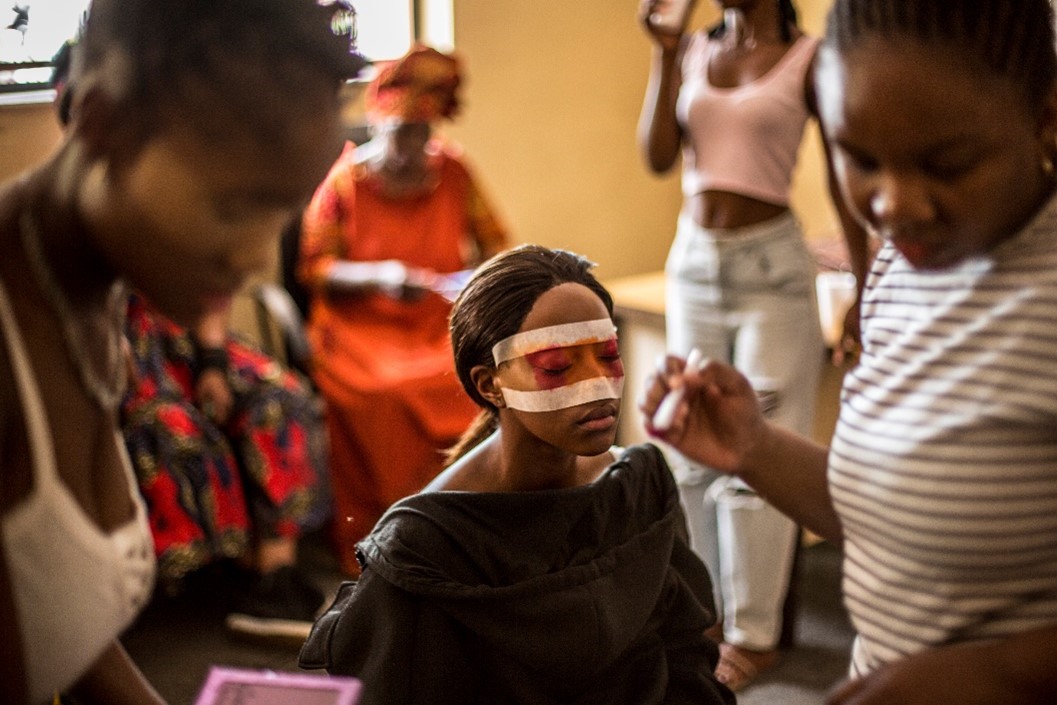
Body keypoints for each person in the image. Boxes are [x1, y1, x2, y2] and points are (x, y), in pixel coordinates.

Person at [640, 0, 1057, 703]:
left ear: (1046, 116)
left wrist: (991, 674)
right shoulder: (901, 264)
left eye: (946, 162)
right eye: (859, 158)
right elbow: (889, 512)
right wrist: (754, 446)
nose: (891, 204)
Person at [0, 0, 364, 702]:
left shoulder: (99, 289)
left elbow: (52, 630)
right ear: (100, 122)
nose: (258, 254)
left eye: (283, 211)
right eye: (231, 207)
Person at [298, 244, 735, 705]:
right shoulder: (427, 548)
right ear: (491, 385)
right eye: (556, 367)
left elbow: (686, 653)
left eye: (607, 355)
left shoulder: (637, 486)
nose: (598, 386)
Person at [636, 0, 870, 689]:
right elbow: (655, 157)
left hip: (773, 269)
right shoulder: (692, 51)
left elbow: (836, 171)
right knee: (689, 439)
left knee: (755, 445)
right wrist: (660, 50)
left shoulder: (810, 57)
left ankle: (756, 633)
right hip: (694, 262)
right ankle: (707, 612)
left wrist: (862, 282)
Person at [298, 42, 510, 576]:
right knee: (386, 393)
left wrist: (476, 284)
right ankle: (387, 537)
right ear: (377, 125)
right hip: (361, 327)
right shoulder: (345, 182)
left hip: (437, 322)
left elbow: (498, 245)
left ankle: (462, 531)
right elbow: (315, 267)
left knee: (475, 378)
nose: (409, 149)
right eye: (399, 135)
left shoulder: (455, 173)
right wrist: (380, 276)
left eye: (421, 136)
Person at [121, 292, 330, 639]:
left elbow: (211, 292)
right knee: (174, 427)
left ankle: (273, 572)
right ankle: (236, 568)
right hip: (125, 346)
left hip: (185, 337)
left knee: (280, 398)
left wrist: (213, 362)